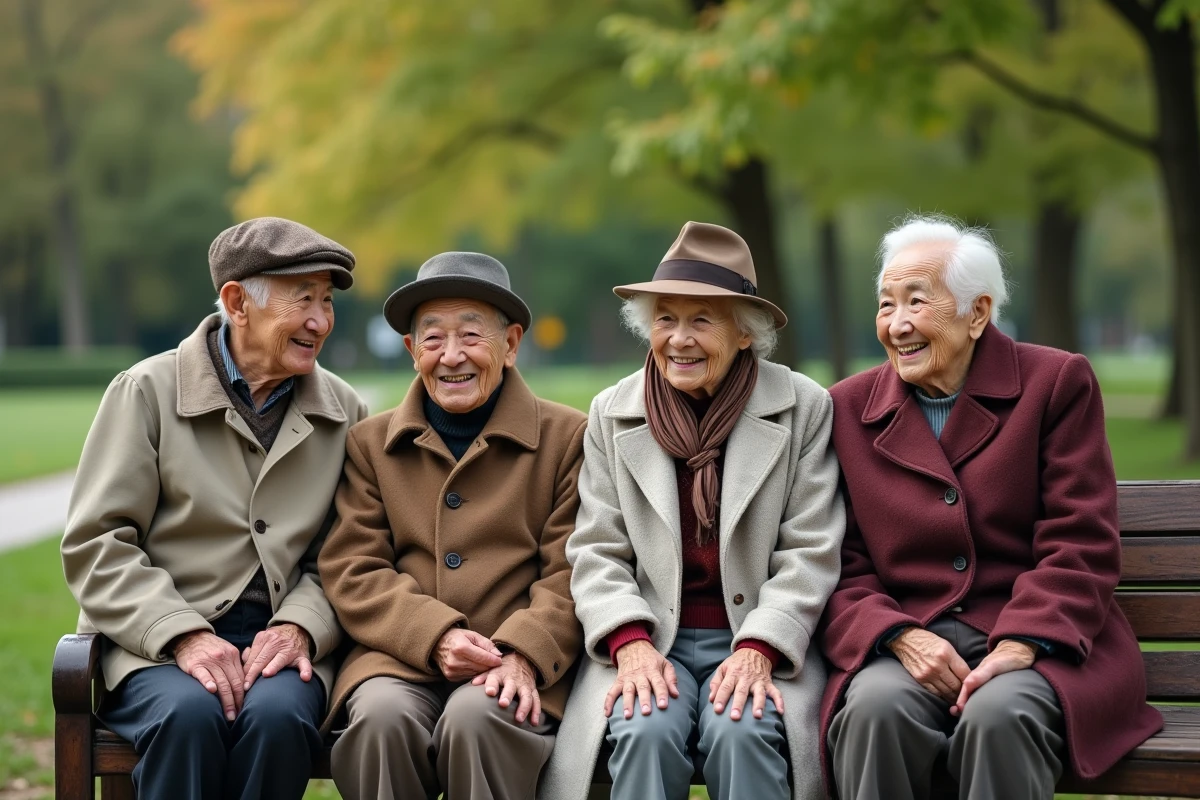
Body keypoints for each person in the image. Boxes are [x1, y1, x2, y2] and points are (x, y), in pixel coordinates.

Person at [819, 215, 1163, 800]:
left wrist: (1022, 641)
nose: (897, 324)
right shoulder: (846, 408)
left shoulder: (1055, 383)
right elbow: (839, 561)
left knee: (1000, 715)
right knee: (875, 711)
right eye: (885, 305)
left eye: (917, 302)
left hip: (1036, 637)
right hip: (907, 640)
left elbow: (1080, 540)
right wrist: (898, 636)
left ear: (977, 313)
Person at [61, 217, 368, 800]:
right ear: (236, 303)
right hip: (157, 641)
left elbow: (349, 551)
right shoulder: (146, 391)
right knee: (188, 716)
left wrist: (301, 626)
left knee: (278, 720)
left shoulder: (345, 412)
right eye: (303, 299)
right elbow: (97, 544)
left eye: (326, 301)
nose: (320, 321)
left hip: (284, 638)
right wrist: (182, 635)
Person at [541, 221, 845, 800]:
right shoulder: (611, 412)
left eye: (702, 321)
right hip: (651, 635)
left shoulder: (803, 407)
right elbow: (597, 548)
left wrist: (759, 647)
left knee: (743, 730)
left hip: (759, 634)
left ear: (745, 333)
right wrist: (630, 642)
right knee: (645, 728)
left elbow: (811, 550)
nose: (679, 340)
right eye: (665, 319)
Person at [318, 251, 586, 800]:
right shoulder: (370, 444)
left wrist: (523, 653)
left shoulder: (567, 438)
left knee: (478, 719)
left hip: (513, 658)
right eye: (434, 338)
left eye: (471, 335)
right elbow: (353, 568)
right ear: (412, 350)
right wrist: (435, 635)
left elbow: (573, 569)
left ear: (511, 344)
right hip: (397, 658)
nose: (452, 356)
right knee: (380, 722)